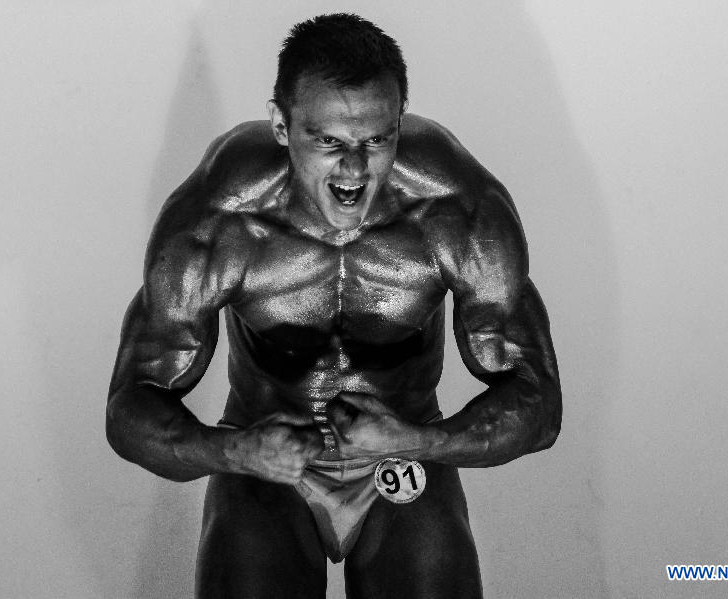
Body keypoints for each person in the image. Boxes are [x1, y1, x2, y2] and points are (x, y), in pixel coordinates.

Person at [107, 13, 561, 599]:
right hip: (267, 463)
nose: (354, 169)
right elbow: (129, 409)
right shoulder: (218, 220)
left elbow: (540, 407)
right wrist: (236, 451)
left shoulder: (457, 211)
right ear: (280, 124)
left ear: (399, 123)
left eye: (376, 140)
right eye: (328, 141)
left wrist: (418, 443)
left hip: (403, 454)